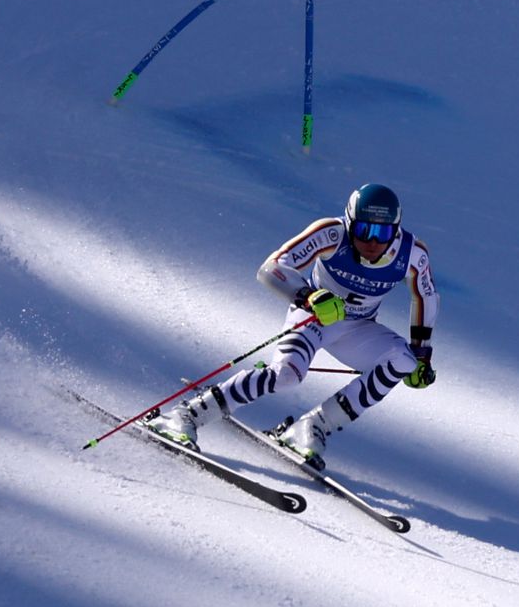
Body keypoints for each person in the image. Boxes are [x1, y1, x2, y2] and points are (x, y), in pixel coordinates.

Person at [162, 182, 438, 468]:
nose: (372, 242)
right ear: (349, 222)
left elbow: (425, 296)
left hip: (357, 328)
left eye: (382, 233)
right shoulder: (332, 233)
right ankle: (187, 414)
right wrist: (309, 296)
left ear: (396, 230)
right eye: (363, 230)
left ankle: (311, 427)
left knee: (404, 360)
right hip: (313, 318)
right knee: (286, 375)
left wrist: (422, 354)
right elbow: (272, 267)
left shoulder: (412, 254)